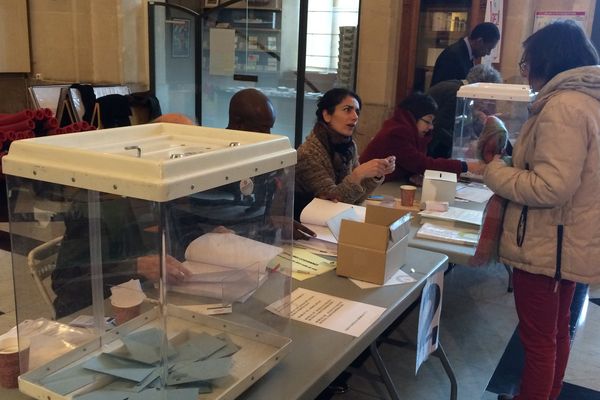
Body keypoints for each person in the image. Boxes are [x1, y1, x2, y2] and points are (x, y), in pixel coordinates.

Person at [482, 20, 600, 400]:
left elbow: (551, 186)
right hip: (568, 241)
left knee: (538, 342)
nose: (527, 71)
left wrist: (495, 171)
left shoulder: (563, 106)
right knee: (555, 332)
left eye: (527, 62)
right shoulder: (586, 101)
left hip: (548, 243)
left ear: (547, 60)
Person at [294, 88, 395, 219]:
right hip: (307, 225)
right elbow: (332, 203)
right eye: (347, 110)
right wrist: (358, 174)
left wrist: (375, 174)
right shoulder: (308, 153)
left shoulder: (348, 146)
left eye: (357, 111)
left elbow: (355, 199)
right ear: (327, 115)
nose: (355, 116)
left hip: (332, 221)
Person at [359, 92, 481, 183]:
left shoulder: (410, 132)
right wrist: (464, 166)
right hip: (370, 186)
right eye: (428, 121)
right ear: (412, 117)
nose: (431, 127)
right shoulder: (396, 133)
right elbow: (422, 163)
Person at [427, 64, 503, 158]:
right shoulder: (457, 94)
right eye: (487, 97)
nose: (486, 103)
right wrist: (463, 145)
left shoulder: (458, 88)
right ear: (481, 86)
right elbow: (439, 128)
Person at [430, 22, 500, 87]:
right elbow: (444, 89)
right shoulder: (453, 56)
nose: (488, 53)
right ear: (479, 41)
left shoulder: (467, 54)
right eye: (488, 48)